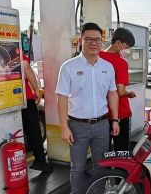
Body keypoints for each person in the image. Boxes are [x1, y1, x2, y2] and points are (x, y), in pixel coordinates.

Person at [55, 22, 119, 194]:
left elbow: (113, 94)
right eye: (88, 39)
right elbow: (61, 97)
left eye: (97, 39)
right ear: (80, 40)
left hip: (102, 124)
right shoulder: (69, 67)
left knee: (101, 166)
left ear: (102, 41)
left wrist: (115, 120)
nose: (93, 43)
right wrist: (64, 127)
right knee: (78, 167)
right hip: (77, 126)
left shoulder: (107, 67)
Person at [99, 27, 136, 151]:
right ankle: (120, 171)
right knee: (121, 150)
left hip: (101, 113)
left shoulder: (97, 57)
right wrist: (129, 93)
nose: (127, 49)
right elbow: (120, 91)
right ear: (118, 43)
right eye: (127, 45)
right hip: (120, 113)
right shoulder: (121, 62)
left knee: (104, 150)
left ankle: (106, 171)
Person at [22, 54, 53, 172]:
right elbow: (26, 67)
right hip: (22, 96)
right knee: (33, 129)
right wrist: (36, 89)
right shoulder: (12, 45)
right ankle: (40, 161)